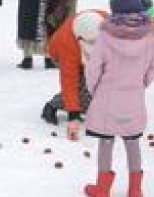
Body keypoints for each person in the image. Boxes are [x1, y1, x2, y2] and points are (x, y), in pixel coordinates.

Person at [83, 0, 154, 197]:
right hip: (133, 99)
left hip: (107, 98)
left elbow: (93, 68)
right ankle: (135, 191)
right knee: (132, 141)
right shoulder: (149, 37)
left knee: (106, 142)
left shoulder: (106, 37)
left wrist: (95, 90)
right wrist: (141, 83)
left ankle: (102, 189)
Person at [42, 9, 107, 138]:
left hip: (91, 57)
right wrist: (73, 116)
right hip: (61, 54)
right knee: (80, 90)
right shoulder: (67, 43)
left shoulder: (108, 23)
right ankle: (51, 106)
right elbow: (69, 82)